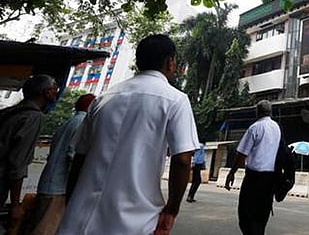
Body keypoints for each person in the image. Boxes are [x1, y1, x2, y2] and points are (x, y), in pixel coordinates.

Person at [58, 34, 199, 235]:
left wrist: (72, 201)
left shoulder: (103, 98)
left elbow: (79, 156)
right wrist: (171, 210)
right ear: (170, 62)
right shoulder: (175, 100)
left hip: (79, 217)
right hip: (134, 221)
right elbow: (183, 160)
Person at [20, 93, 96, 235]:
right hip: (58, 188)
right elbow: (72, 156)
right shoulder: (82, 123)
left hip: (49, 183)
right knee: (45, 229)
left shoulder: (70, 122)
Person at [0, 74, 58, 233]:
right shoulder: (33, 117)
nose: (56, 92)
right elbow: (17, 163)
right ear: (47, 92)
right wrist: (15, 205)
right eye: (55, 89)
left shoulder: (11, 112)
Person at [225, 100, 281, 235]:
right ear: (270, 112)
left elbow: (242, 154)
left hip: (254, 178)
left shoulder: (255, 128)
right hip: (270, 178)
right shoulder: (277, 128)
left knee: (246, 213)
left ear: (257, 112)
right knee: (262, 215)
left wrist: (232, 173)